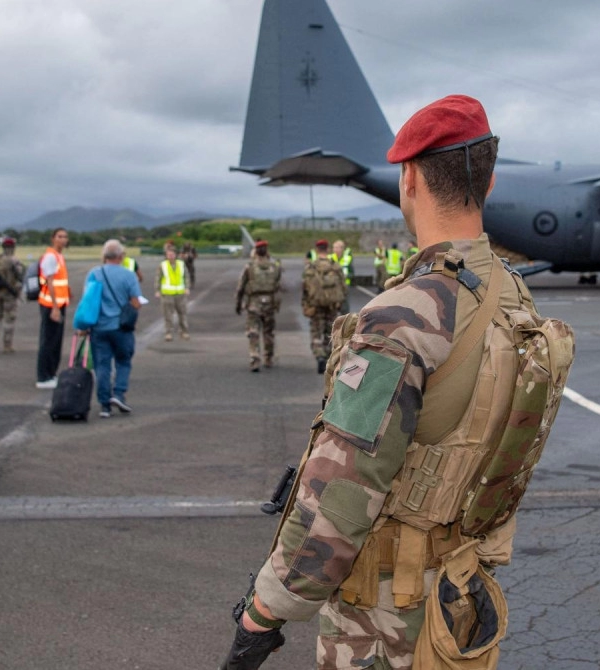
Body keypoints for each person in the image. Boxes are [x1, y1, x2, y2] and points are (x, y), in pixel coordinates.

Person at [220, 95, 572, 670]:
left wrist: (265, 609)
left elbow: (343, 488)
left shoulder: (405, 314)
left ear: (409, 179)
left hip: (385, 616)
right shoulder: (511, 293)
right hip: (458, 598)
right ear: (487, 183)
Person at [83, 240, 142, 418]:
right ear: (121, 256)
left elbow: (88, 301)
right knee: (123, 361)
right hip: (121, 327)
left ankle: (104, 405)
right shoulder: (129, 275)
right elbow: (135, 302)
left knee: (102, 365)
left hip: (99, 327)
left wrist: (83, 326)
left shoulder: (94, 274)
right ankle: (119, 393)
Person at [235, 239, 282, 372]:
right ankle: (268, 358)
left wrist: (238, 304)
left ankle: (255, 359)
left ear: (255, 252)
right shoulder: (275, 266)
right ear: (267, 251)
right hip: (270, 303)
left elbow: (240, 287)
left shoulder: (249, 267)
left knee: (253, 332)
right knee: (268, 332)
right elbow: (278, 286)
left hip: (254, 304)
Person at [300, 239, 345, 374]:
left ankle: (319, 355)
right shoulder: (335, 266)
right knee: (329, 332)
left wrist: (305, 304)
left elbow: (305, 288)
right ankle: (328, 358)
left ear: (316, 250)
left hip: (316, 305)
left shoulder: (311, 268)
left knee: (316, 331)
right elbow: (343, 287)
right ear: (328, 249)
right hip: (332, 305)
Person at [35, 228, 70, 389]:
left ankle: (51, 373)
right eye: (59, 236)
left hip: (60, 303)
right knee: (48, 341)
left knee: (56, 341)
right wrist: (55, 308)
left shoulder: (59, 256)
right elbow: (49, 282)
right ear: (53, 238)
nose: (63, 239)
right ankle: (43, 376)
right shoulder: (50, 256)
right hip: (50, 304)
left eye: (65, 237)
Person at [0, 236, 25, 353]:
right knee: (9, 319)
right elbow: (20, 276)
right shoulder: (14, 261)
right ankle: (7, 344)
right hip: (9, 294)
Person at [155, 246, 190, 341]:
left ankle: (184, 331)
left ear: (176, 255)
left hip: (180, 293)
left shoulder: (181, 264)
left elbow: (186, 276)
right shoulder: (163, 265)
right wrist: (157, 290)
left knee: (182, 314)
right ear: (166, 256)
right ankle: (168, 333)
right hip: (167, 294)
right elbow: (158, 278)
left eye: (172, 254)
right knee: (168, 315)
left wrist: (187, 287)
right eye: (168, 254)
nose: (170, 256)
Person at [331, 239, 353, 315]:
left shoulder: (348, 259)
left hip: (344, 287)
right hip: (332, 286)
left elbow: (352, 273)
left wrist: (346, 276)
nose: (335, 249)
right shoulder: (330, 258)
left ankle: (344, 325)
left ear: (342, 249)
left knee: (344, 309)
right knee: (332, 308)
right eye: (334, 247)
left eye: (337, 247)